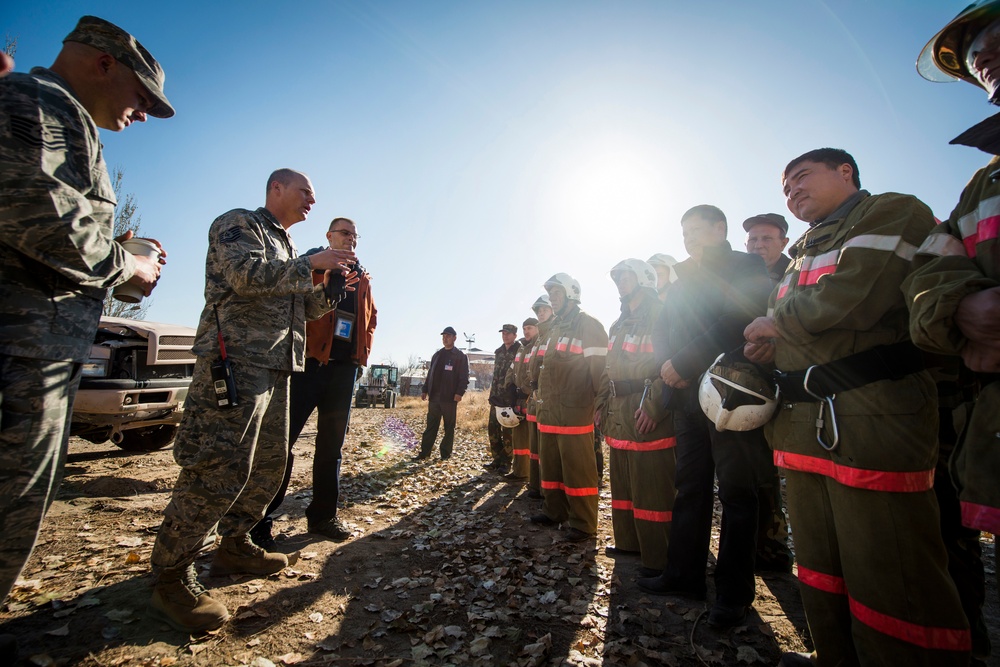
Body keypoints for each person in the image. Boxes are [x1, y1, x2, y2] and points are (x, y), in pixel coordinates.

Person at [744, 148, 970, 666]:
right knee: (822, 566)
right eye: (785, 187)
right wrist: (769, 344)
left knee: (889, 568)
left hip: (872, 417)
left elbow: (855, 295)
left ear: (845, 172)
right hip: (806, 423)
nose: (792, 190)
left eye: (802, 177)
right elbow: (793, 318)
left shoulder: (891, 211)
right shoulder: (802, 248)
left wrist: (776, 325)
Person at [0, 15, 172, 648]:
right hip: (16, 352)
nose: (145, 114)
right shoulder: (37, 100)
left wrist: (116, 263)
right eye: (144, 96)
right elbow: (28, 202)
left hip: (35, 352)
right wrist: (125, 262)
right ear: (104, 63)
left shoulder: (59, 114)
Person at [148, 169, 357, 633]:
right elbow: (244, 277)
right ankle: (169, 573)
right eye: (306, 192)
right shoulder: (239, 223)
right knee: (219, 465)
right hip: (235, 361)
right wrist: (311, 265)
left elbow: (300, 309)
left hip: (279, 366)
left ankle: (234, 543)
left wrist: (326, 292)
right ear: (276, 189)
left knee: (267, 464)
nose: (311, 201)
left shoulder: (285, 244)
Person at [905, 5, 1000, 662]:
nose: (983, 58)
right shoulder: (980, 185)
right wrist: (961, 307)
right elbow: (931, 276)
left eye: (995, 43)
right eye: (973, 59)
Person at [638, 204, 773, 630]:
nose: (689, 238)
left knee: (737, 494)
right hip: (684, 396)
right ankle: (683, 574)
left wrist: (685, 359)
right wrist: (667, 365)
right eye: (684, 232)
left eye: (697, 230)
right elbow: (664, 328)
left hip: (730, 394)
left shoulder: (747, 265)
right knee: (690, 487)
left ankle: (733, 595)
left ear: (721, 228)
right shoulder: (682, 279)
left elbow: (736, 317)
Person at [251, 217, 376, 549]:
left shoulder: (362, 276)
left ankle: (322, 516)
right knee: (282, 442)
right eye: (345, 233)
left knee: (331, 447)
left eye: (355, 234)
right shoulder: (310, 264)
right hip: (308, 365)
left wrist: (361, 355)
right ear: (329, 236)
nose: (351, 239)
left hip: (344, 371)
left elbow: (371, 316)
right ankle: (259, 521)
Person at [596, 259, 676, 577]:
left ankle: (658, 559)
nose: (620, 282)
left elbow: (670, 364)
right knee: (624, 486)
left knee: (652, 489)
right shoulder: (618, 324)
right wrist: (601, 405)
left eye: (626, 276)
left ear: (644, 278)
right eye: (617, 278)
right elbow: (607, 370)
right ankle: (629, 543)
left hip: (646, 410)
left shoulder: (661, 313)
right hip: (619, 412)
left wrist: (655, 407)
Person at [530, 273, 608, 542]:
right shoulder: (554, 329)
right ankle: (554, 511)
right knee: (550, 468)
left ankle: (584, 523)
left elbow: (600, 372)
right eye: (550, 295)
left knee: (578, 470)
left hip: (575, 413)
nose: (553, 299)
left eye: (557, 294)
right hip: (549, 412)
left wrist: (601, 406)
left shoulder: (588, 325)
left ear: (572, 293)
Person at [742, 213, 795, 573]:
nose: (758, 246)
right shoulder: (743, 279)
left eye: (766, 240)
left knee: (780, 471)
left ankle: (775, 547)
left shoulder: (796, 276)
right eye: (753, 241)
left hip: (792, 386)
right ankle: (760, 546)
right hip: (750, 387)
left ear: (783, 243)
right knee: (756, 470)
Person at [417, 327, 469, 460]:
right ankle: (425, 453)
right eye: (443, 336)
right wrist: (425, 389)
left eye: (448, 336)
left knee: (448, 427)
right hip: (434, 397)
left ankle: (445, 454)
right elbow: (430, 374)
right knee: (431, 426)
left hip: (449, 398)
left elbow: (464, 377)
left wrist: (459, 393)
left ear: (454, 338)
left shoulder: (460, 356)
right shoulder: (437, 355)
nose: (445, 338)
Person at [501, 317, 539, 483]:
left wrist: (525, 390)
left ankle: (535, 477)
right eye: (524, 328)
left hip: (530, 399)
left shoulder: (538, 346)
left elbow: (536, 373)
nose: (526, 331)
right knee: (519, 436)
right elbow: (512, 369)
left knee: (533, 439)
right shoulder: (521, 348)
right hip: (517, 400)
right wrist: (508, 387)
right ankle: (520, 471)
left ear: (537, 329)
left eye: (530, 328)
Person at [525, 295, 555, 498]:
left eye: (544, 309)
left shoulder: (554, 333)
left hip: (550, 398)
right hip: (536, 397)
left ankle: (547, 492)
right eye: (538, 311)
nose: (541, 313)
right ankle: (536, 485)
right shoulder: (539, 339)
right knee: (536, 447)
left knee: (547, 449)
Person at [487, 324, 522, 472]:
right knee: (493, 428)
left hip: (510, 398)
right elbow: (495, 376)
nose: (505, 336)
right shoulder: (499, 352)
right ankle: (496, 459)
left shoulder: (520, 351)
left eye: (508, 333)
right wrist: (492, 394)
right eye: (503, 333)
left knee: (508, 431)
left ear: (514, 335)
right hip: (496, 397)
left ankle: (506, 462)